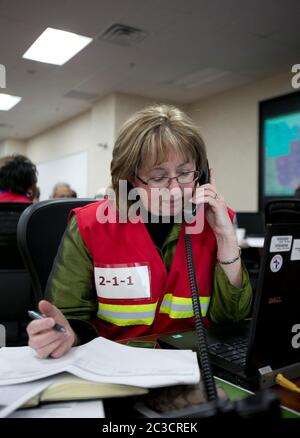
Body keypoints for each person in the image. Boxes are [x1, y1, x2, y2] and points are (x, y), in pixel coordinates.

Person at [27, 104, 252, 359]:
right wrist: (64, 334)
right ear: (131, 178)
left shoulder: (214, 220)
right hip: (115, 365)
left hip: (197, 366)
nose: (176, 190)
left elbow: (232, 322)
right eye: (158, 178)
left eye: (185, 173)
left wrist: (224, 236)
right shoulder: (90, 225)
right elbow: (70, 318)